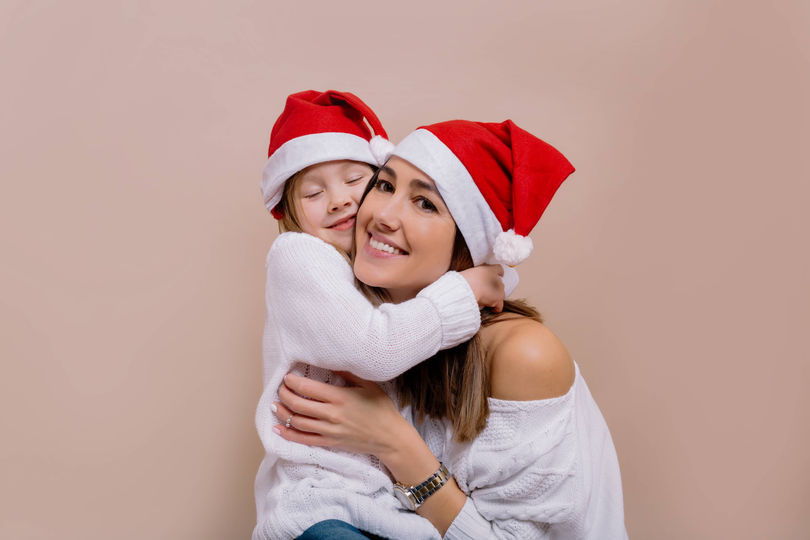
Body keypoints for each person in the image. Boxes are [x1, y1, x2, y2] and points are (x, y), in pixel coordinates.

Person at [274, 119, 628, 539]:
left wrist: (393, 442)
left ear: (468, 243)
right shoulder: (373, 324)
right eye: (384, 186)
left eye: (426, 204)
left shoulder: (522, 353)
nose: (381, 215)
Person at [253, 92, 507, 540]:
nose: (337, 201)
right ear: (290, 212)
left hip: (385, 509)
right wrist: (468, 289)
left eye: (356, 181)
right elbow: (376, 350)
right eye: (313, 192)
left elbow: (434, 286)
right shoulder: (298, 255)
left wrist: (489, 277)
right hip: (322, 507)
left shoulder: (369, 271)